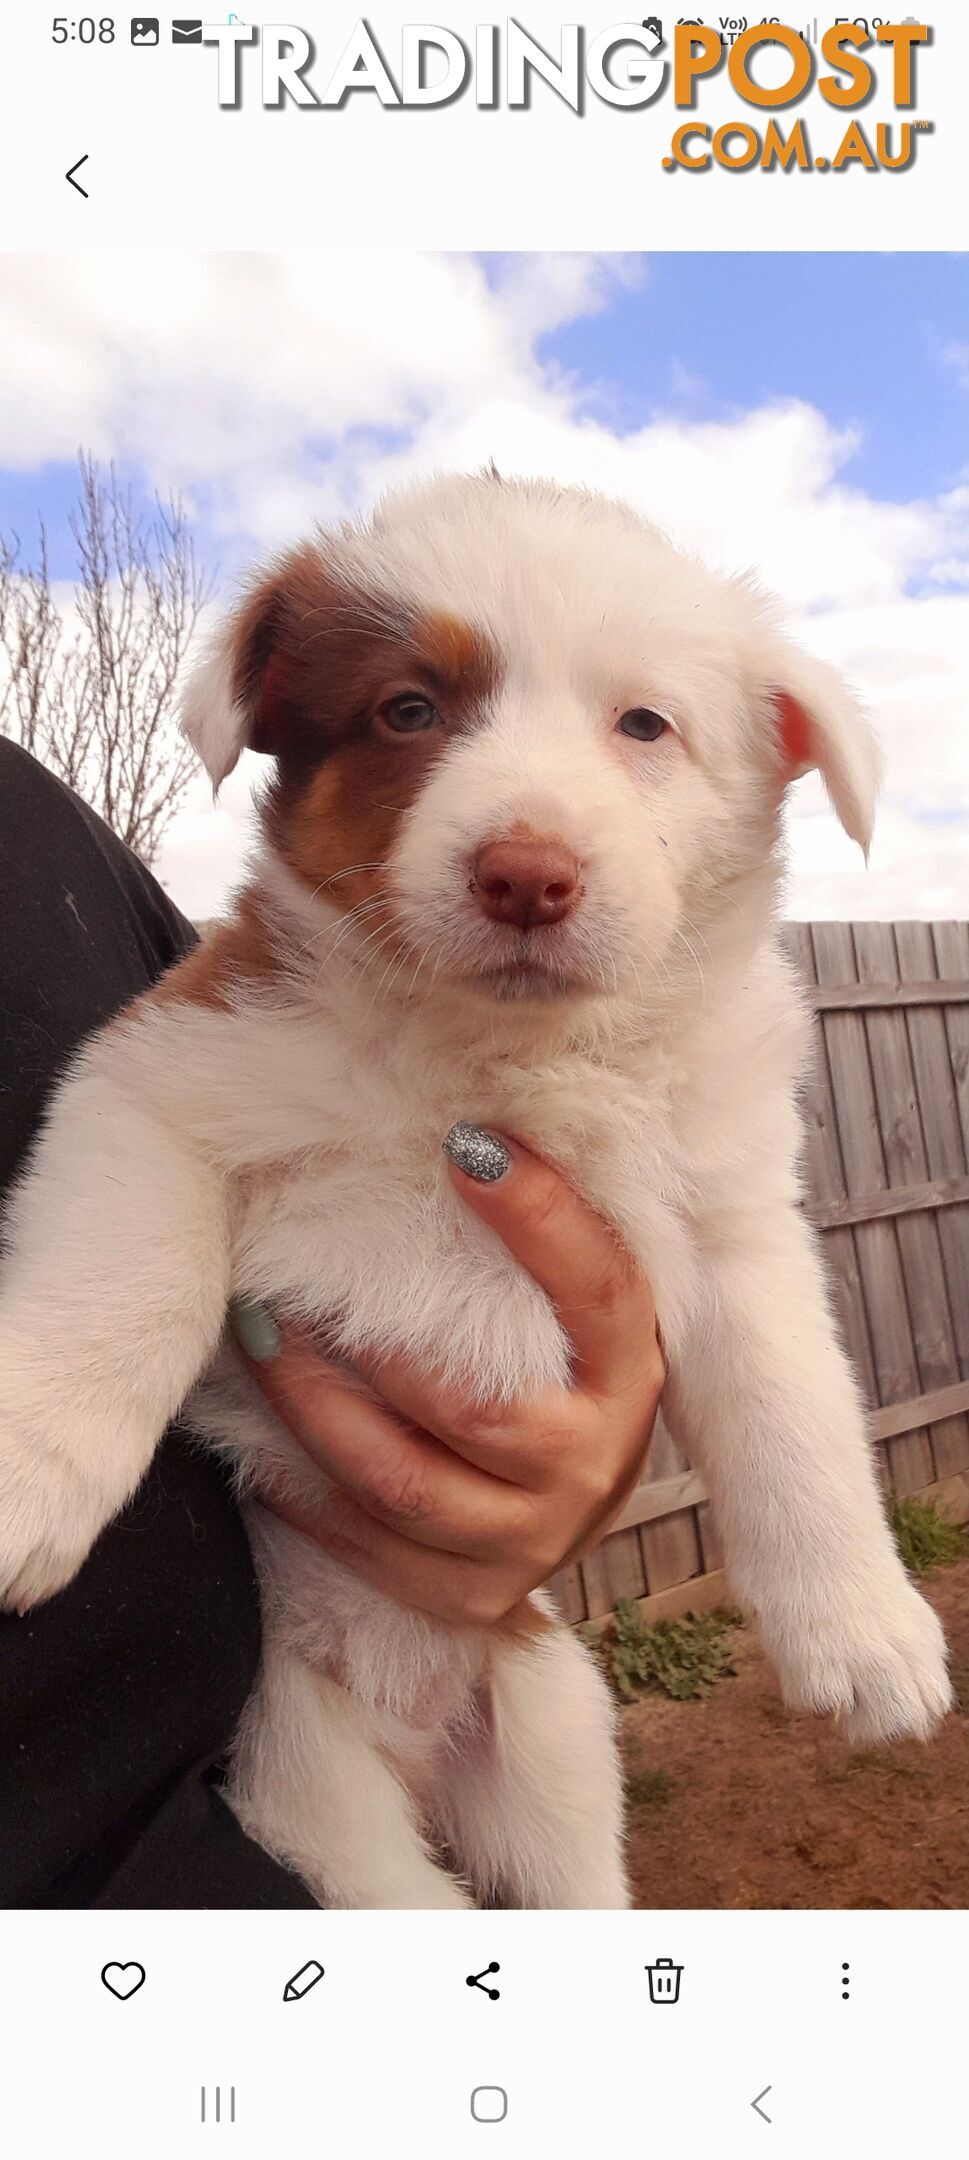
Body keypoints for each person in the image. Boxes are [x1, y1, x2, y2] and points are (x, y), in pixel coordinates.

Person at [0, 738, 664, 1908]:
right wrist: (67, 1407)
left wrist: (562, 1465)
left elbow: (183, 1103)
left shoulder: (46, 844)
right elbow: (156, 1113)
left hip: (386, 1725)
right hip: (258, 1764)